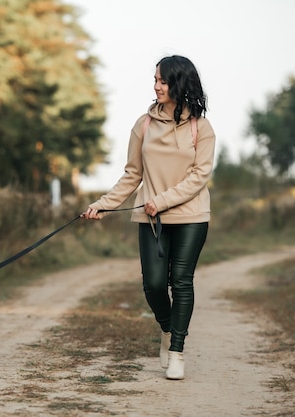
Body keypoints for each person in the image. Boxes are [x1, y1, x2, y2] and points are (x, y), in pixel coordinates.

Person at [82, 55, 215, 380]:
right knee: (154, 285)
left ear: (179, 83)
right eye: (155, 79)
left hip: (191, 216)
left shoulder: (201, 127)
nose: (156, 86)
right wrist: (103, 204)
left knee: (181, 281)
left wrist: (162, 200)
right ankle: (168, 329)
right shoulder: (144, 124)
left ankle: (177, 352)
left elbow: (200, 176)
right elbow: (132, 175)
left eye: (163, 81)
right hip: (150, 219)